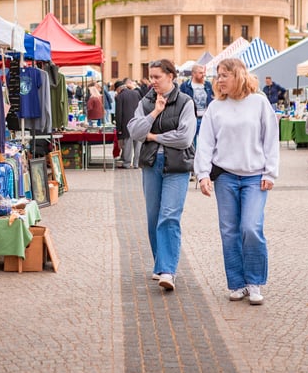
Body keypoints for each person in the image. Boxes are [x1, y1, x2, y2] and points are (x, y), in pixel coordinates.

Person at [194, 58, 279, 305]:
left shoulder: (259, 102)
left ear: (238, 75)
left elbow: (270, 139)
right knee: (229, 231)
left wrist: (270, 173)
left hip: (255, 177)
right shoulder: (215, 108)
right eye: (218, 76)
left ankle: (254, 283)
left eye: (224, 75)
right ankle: (237, 283)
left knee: (251, 228)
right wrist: (202, 174)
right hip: (226, 177)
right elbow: (206, 143)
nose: (219, 80)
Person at [127, 59, 196, 292]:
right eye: (151, 76)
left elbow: (185, 137)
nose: (152, 81)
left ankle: (168, 270)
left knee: (169, 216)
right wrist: (155, 112)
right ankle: (160, 263)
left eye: (157, 77)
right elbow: (135, 132)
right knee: (153, 217)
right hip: (151, 163)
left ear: (170, 76)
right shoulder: (146, 102)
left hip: (177, 166)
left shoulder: (185, 102)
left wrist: (154, 137)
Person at [179, 64, 214, 141]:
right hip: (192, 119)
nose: (203, 75)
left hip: (206, 118)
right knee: (192, 142)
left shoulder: (208, 85)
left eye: (204, 73)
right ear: (193, 74)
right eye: (201, 73)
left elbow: (213, 99)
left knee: (206, 141)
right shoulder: (185, 86)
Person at [114, 79, 142, 168]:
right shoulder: (136, 93)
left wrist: (119, 129)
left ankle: (127, 163)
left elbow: (119, 114)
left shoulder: (119, 97)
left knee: (128, 145)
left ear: (118, 89)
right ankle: (136, 163)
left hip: (126, 124)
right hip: (138, 122)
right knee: (138, 144)